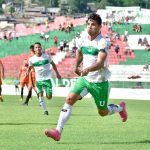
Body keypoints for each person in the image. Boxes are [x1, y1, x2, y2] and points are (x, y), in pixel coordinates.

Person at [44, 13, 128, 141]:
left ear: (100, 27)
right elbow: (79, 52)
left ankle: (120, 108)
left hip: (99, 82)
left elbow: (100, 63)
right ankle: (58, 131)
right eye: (88, 24)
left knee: (102, 112)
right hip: (85, 79)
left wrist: (88, 69)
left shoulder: (102, 42)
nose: (90, 27)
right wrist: (76, 65)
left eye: (93, 24)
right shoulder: (82, 38)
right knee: (70, 99)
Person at [28, 42, 61, 115]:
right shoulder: (31, 59)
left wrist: (57, 73)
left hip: (47, 79)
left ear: (41, 48)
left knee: (49, 97)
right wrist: (28, 72)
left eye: (39, 47)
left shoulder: (47, 57)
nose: (38, 48)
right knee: (40, 95)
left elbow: (53, 64)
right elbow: (30, 67)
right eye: (36, 47)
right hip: (38, 80)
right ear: (34, 49)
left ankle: (47, 91)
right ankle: (45, 110)